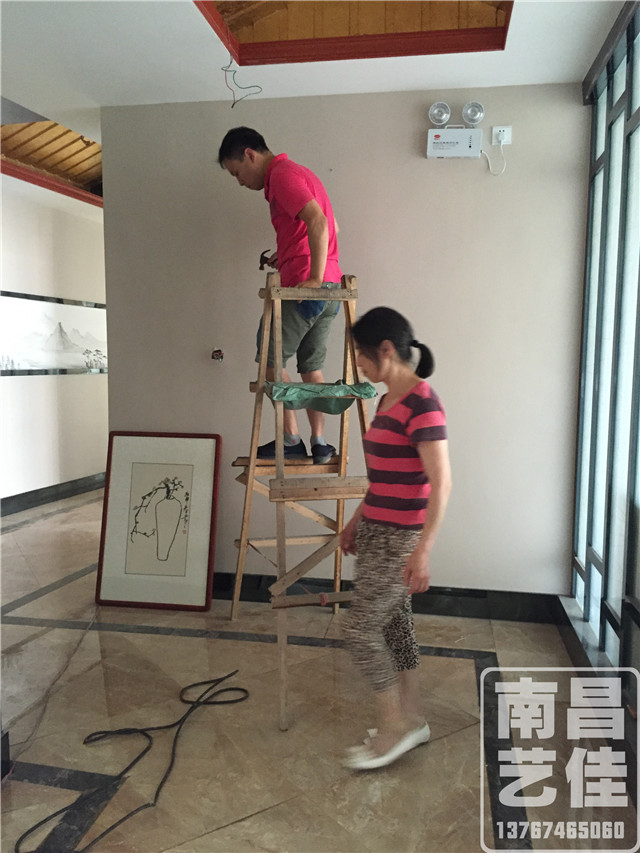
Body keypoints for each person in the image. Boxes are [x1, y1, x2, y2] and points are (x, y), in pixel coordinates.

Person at [340, 307, 452, 770]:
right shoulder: (387, 400)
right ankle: (413, 716)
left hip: (402, 538)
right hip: (376, 530)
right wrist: (356, 521)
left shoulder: (423, 403)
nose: (358, 362)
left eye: (361, 354)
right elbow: (384, 477)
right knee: (394, 624)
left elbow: (441, 483)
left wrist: (422, 551)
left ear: (386, 350)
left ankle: (393, 727)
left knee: (359, 630)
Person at [218, 127, 342, 465]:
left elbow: (319, 223)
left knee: (270, 361)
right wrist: (288, 255)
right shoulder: (302, 173)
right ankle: (320, 443)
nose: (240, 182)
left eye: (237, 172)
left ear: (249, 154)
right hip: (333, 290)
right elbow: (332, 227)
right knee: (312, 368)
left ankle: (290, 440)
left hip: (306, 287)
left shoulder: (282, 176)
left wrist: (311, 276)